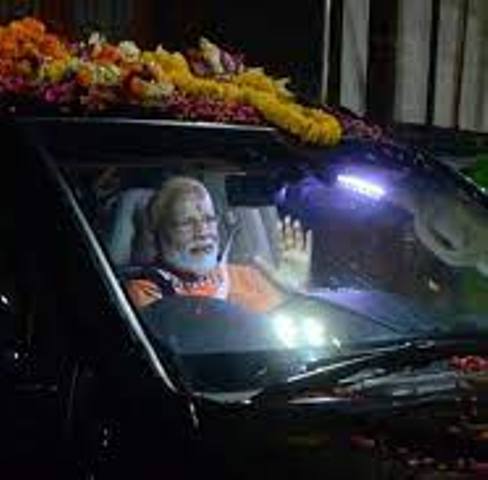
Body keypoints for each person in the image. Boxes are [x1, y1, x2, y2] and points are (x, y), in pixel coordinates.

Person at [125, 176, 312, 313]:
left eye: (208, 219)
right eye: (186, 223)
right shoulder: (144, 292)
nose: (202, 232)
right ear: (159, 233)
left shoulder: (249, 276)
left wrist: (295, 293)